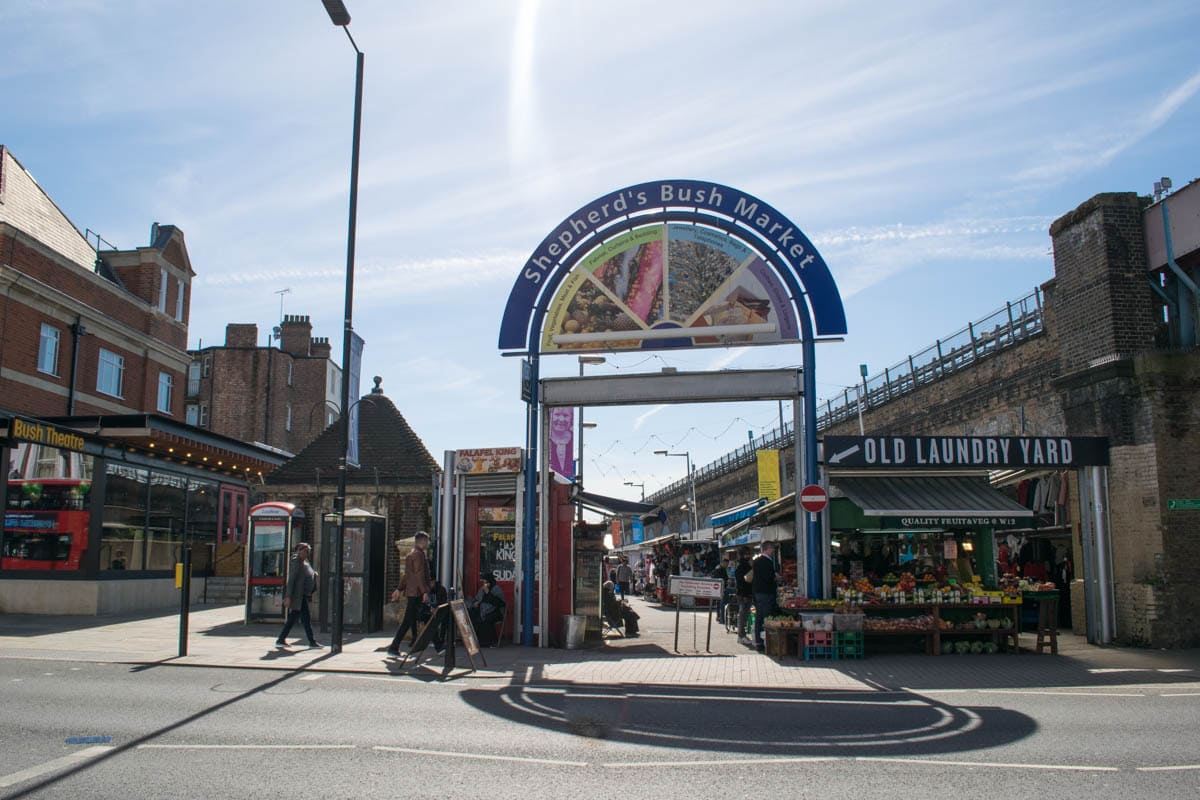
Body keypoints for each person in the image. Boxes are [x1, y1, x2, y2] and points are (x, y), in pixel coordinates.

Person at [386, 531, 433, 657]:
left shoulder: (411, 554)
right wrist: (424, 592)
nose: (428, 543)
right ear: (422, 541)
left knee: (415, 618)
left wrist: (399, 589)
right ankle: (394, 647)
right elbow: (418, 575)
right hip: (417, 593)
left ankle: (435, 644)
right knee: (410, 620)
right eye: (427, 541)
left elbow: (406, 575)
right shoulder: (419, 555)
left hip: (412, 592)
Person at [275, 542, 320, 648]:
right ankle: (312, 642)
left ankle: (281, 639)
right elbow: (292, 580)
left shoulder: (305, 561)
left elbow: (307, 573)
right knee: (306, 619)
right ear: (299, 551)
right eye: (305, 551)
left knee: (293, 618)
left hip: (303, 594)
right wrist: (288, 596)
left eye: (309, 551)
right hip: (298, 595)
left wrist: (313, 575)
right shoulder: (296, 562)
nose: (308, 553)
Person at [751, 542, 778, 652]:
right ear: (767, 549)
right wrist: (775, 578)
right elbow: (768, 577)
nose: (774, 551)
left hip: (758, 593)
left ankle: (759, 642)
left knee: (759, 617)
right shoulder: (767, 561)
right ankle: (767, 643)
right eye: (772, 549)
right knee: (766, 618)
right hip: (766, 593)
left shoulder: (756, 561)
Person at [468, 572, 506, 647]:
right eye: (484, 582)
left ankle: (487, 642)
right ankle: (476, 640)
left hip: (496, 611)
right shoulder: (482, 589)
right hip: (483, 610)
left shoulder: (496, 588)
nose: (485, 584)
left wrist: (488, 592)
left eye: (487, 582)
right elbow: (477, 599)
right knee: (473, 615)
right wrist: (476, 603)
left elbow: (500, 603)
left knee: (487, 619)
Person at [734, 548, 754, 645]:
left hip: (743, 594)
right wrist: (745, 595)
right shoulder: (743, 566)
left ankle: (742, 635)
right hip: (744, 595)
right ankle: (741, 636)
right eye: (746, 554)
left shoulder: (741, 566)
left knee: (743, 615)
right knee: (743, 615)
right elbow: (743, 583)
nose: (748, 556)